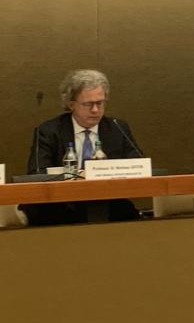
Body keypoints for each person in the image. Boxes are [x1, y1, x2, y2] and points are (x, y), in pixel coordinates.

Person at [22, 69, 143, 225]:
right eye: (88, 104)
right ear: (71, 104)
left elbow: (139, 165)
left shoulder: (117, 128)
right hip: (61, 204)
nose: (95, 110)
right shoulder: (49, 130)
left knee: (129, 216)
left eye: (100, 103)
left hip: (107, 200)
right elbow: (37, 173)